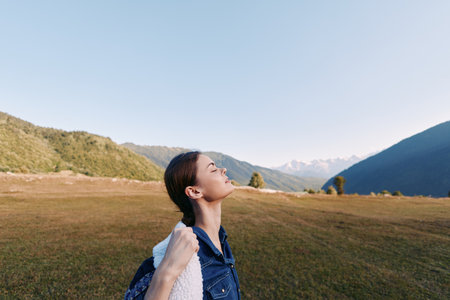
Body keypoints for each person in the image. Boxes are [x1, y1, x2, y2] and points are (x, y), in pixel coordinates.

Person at [124, 151, 241, 300]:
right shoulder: (185, 256)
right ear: (194, 191)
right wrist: (166, 272)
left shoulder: (220, 239)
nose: (223, 170)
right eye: (213, 169)